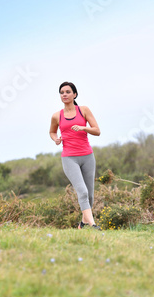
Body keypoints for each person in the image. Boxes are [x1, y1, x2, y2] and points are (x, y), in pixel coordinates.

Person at [49, 82, 101, 229]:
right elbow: (52, 132)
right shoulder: (56, 116)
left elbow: (97, 130)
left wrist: (84, 127)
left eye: (67, 92)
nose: (64, 94)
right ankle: (93, 225)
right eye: (61, 92)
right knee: (82, 191)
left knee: (90, 195)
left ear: (74, 94)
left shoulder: (83, 110)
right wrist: (56, 139)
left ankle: (82, 224)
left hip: (87, 156)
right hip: (69, 158)